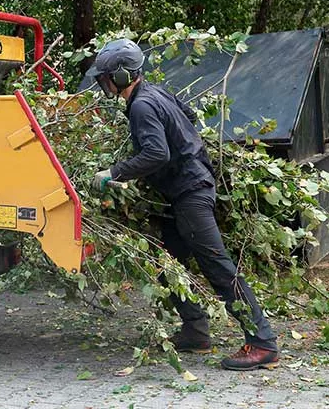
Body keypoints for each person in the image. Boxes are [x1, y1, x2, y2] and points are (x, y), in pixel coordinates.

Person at [89, 39, 279, 371]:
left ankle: (262, 343)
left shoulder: (141, 106)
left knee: (218, 267)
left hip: (190, 192)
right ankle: (196, 330)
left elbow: (156, 153)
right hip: (184, 190)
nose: (104, 83)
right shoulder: (156, 93)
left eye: (106, 77)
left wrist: (113, 173)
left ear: (121, 76)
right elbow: (188, 115)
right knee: (168, 261)